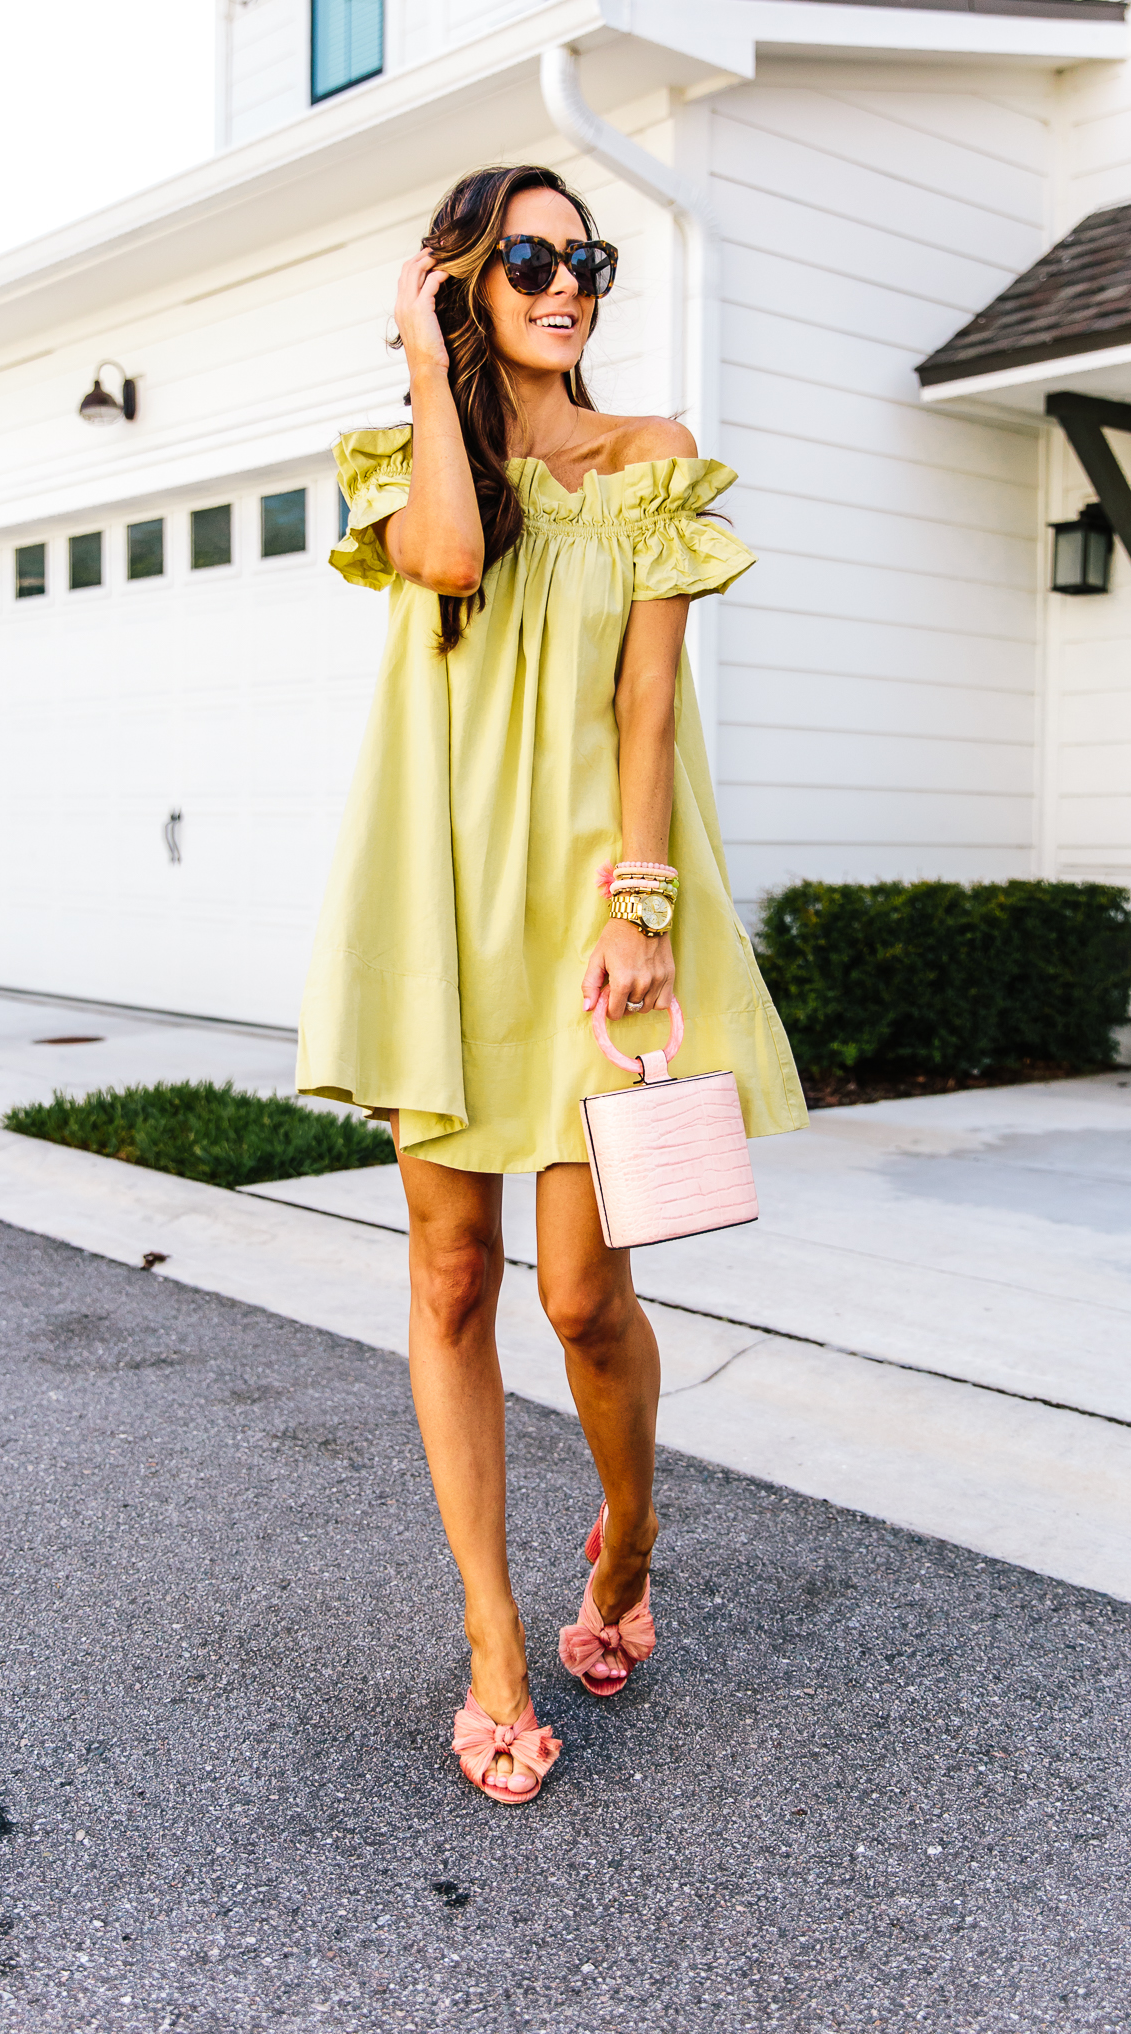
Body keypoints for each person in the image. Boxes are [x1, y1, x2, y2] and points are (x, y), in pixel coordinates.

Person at [297, 163, 805, 1804]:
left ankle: (632, 1535)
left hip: (600, 905)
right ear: (464, 277)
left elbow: (648, 707)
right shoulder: (409, 464)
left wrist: (642, 899)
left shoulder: (651, 460)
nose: (570, 277)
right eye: (529, 256)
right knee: (453, 1282)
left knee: (584, 1294)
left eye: (586, 254)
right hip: (446, 894)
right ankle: (494, 1638)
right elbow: (449, 556)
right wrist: (423, 345)